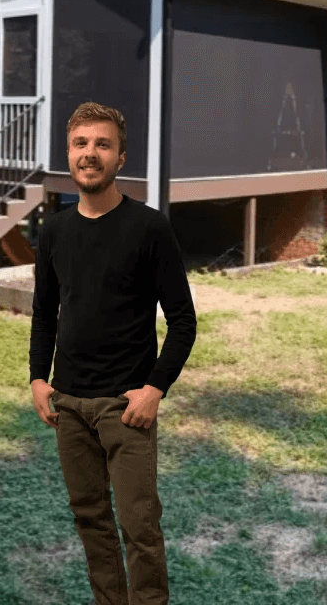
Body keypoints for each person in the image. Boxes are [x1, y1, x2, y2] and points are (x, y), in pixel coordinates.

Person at [29, 101, 197, 605]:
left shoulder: (148, 228)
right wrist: (40, 378)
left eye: (102, 144)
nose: (90, 154)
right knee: (90, 521)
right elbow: (44, 313)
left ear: (121, 157)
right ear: (69, 154)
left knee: (139, 528)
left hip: (125, 407)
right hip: (70, 405)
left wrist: (154, 389)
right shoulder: (55, 231)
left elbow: (183, 321)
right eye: (81, 144)